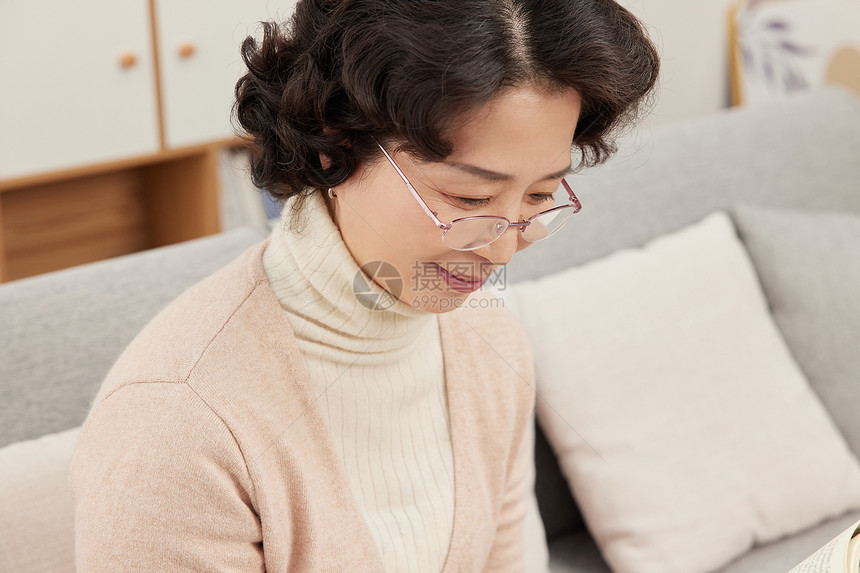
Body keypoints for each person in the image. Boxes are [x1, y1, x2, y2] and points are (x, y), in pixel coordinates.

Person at [69, 1, 658, 571]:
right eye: (469, 199)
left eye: (539, 197)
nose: (502, 250)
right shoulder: (178, 420)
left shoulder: (490, 339)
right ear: (336, 148)